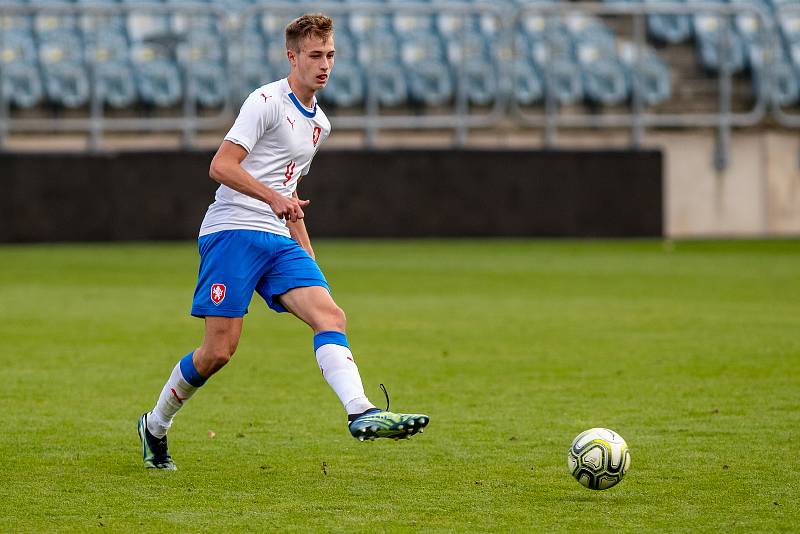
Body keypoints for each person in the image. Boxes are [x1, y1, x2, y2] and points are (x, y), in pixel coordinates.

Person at [137, 14, 429, 470]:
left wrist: (306, 253)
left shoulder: (321, 125)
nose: (324, 64)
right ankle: (155, 425)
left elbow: (289, 193)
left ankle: (361, 411)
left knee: (331, 314)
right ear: (292, 57)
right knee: (217, 352)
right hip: (232, 230)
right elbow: (221, 165)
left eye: (330, 55)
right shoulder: (266, 101)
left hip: (277, 238)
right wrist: (274, 198)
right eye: (315, 56)